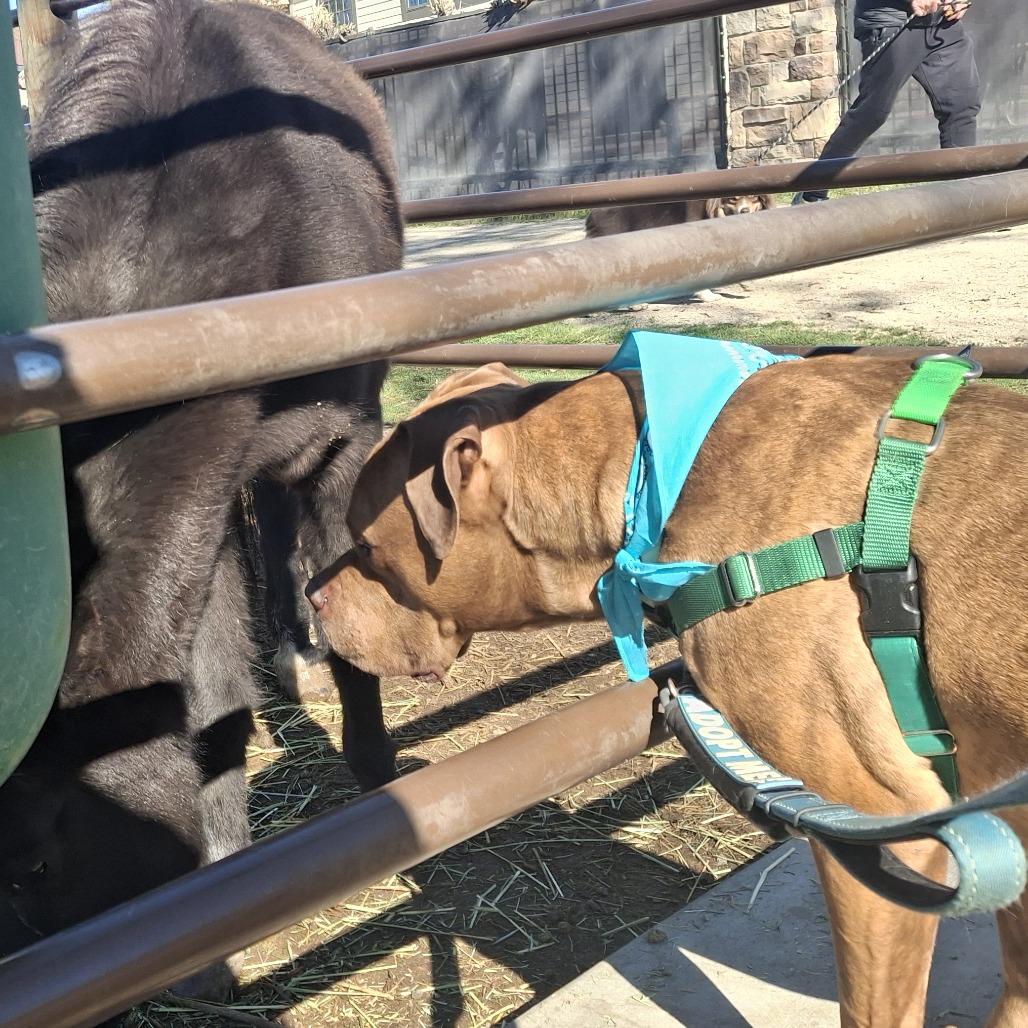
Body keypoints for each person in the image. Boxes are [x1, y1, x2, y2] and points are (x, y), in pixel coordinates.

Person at [794, 0, 980, 203]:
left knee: (961, 105)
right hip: (891, 20)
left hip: (942, 23)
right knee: (872, 112)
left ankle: (961, 199)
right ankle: (811, 194)